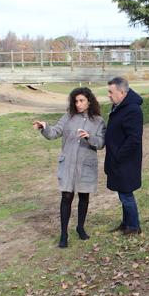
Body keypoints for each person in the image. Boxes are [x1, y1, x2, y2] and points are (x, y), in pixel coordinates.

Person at [33, 87, 106, 248]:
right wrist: (45, 127)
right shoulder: (68, 117)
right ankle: (64, 234)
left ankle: (80, 227)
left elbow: (101, 143)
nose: (78, 104)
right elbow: (54, 132)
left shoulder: (98, 121)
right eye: (76, 101)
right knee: (66, 196)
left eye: (82, 101)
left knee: (84, 197)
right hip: (68, 164)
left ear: (89, 101)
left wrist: (89, 137)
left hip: (86, 165)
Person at [105, 76, 144, 235]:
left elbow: (134, 138)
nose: (109, 95)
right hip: (118, 159)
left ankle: (134, 227)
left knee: (126, 194)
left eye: (110, 92)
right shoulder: (120, 106)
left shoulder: (132, 109)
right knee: (123, 193)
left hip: (126, 161)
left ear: (122, 92)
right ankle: (126, 223)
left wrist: (119, 156)